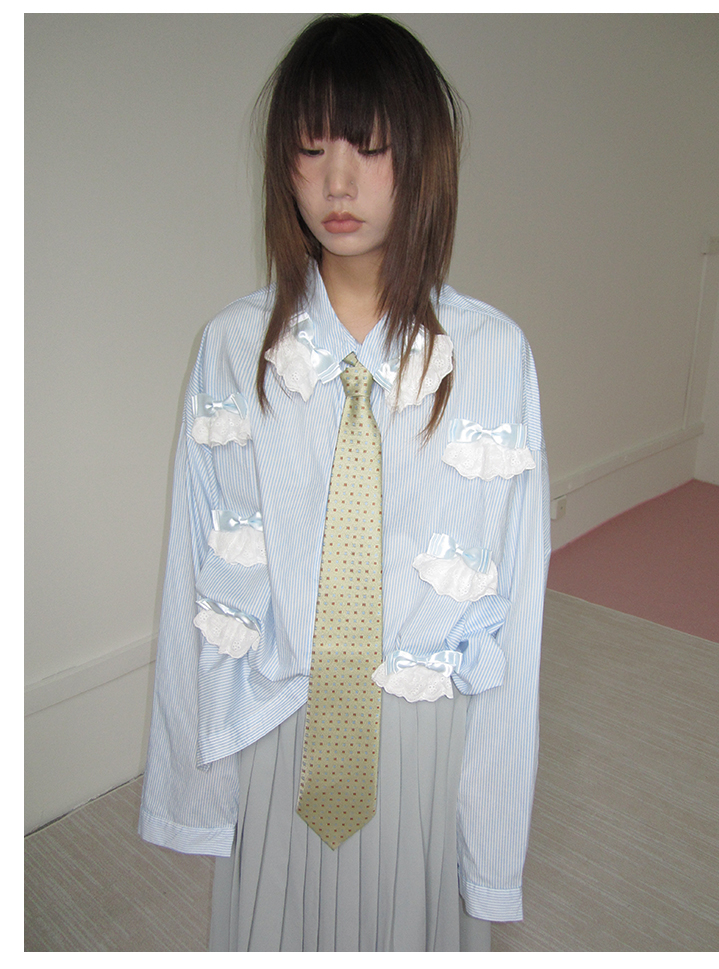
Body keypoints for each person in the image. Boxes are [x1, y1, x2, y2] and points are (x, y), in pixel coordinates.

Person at [139, 13, 550, 952]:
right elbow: (195, 573)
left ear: (424, 160)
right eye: (310, 147)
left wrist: (492, 839)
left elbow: (518, 611)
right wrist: (197, 792)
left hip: (420, 743)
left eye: (370, 147)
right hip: (280, 727)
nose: (336, 181)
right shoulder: (233, 347)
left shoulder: (494, 357)